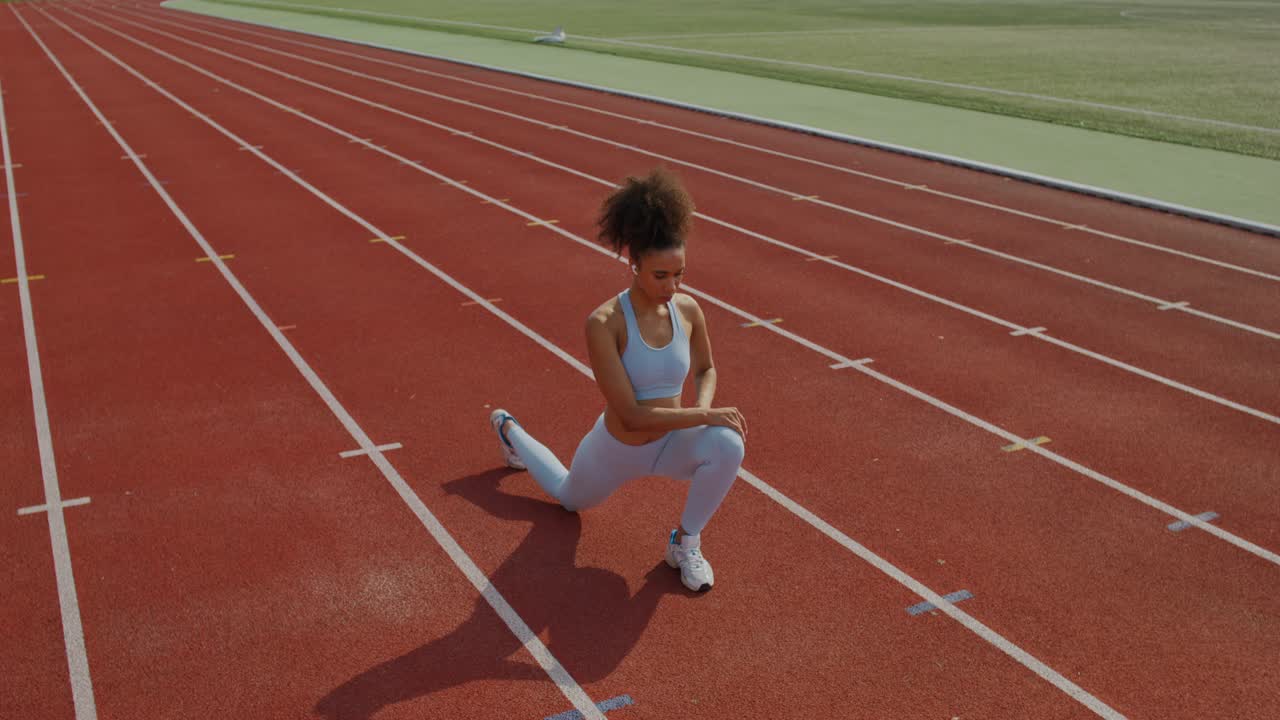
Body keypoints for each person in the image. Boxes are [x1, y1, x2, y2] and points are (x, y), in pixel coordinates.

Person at [488, 167, 747, 592]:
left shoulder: (689, 310)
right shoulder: (605, 323)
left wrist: (704, 411)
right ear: (634, 263)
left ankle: (685, 542)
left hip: (671, 443)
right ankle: (509, 430)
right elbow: (631, 415)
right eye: (660, 275)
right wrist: (705, 412)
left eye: (679, 274)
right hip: (618, 447)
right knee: (568, 498)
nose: (672, 286)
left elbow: (706, 368)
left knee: (728, 444)